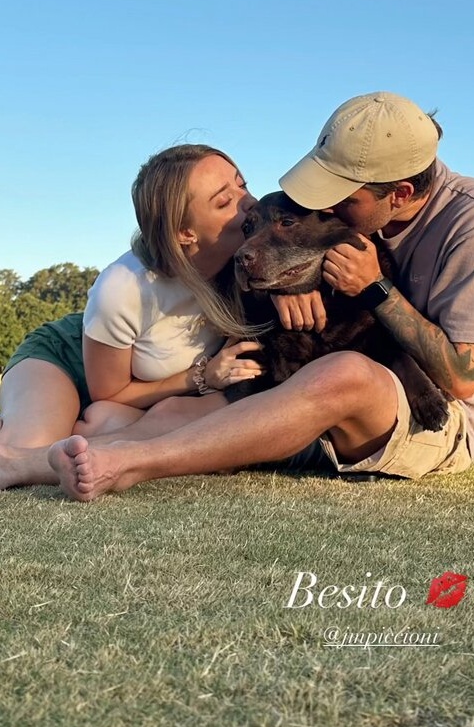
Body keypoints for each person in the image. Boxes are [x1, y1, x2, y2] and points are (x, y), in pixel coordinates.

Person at [46, 90, 474, 501]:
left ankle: (135, 462)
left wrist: (376, 287)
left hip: (436, 414)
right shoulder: (362, 216)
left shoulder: (465, 224)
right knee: (143, 416)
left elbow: (463, 379)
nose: (325, 207)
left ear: (399, 194)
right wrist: (285, 284)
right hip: (306, 400)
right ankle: (36, 460)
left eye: (342, 195)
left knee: (343, 372)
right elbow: (282, 246)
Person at [0, 144, 276, 487]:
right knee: (22, 449)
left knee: (146, 421)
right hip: (66, 360)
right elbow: (109, 393)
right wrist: (202, 376)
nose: (249, 202)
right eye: (224, 201)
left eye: (242, 184)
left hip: (142, 402)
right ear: (184, 233)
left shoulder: (249, 262)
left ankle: (83, 436)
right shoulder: (124, 286)